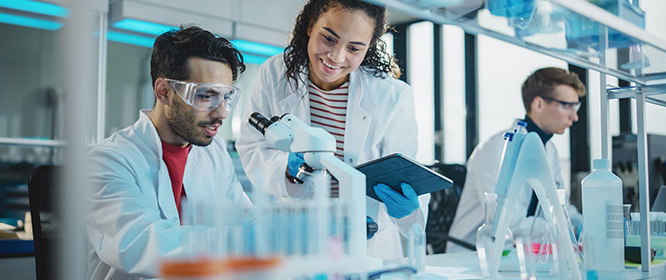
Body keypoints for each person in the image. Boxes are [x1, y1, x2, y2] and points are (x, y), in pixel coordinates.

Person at [235, 0, 429, 260]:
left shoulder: (392, 96)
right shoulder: (274, 74)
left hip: (368, 245)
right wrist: (287, 169)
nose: (336, 57)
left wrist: (407, 210)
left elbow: (405, 172)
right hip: (296, 240)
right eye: (328, 39)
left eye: (354, 48)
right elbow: (252, 147)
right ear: (310, 25)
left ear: (369, 46)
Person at [86, 25, 251, 279]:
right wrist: (243, 240)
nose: (222, 114)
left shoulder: (214, 152)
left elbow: (245, 219)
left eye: (227, 97)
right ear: (164, 91)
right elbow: (144, 243)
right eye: (206, 96)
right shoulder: (109, 161)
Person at [447, 67, 586, 253]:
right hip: (472, 255)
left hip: (519, 252)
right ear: (538, 105)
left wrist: (586, 228)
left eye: (576, 107)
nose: (574, 116)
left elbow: (561, 209)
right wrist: (562, 229)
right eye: (566, 105)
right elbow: (508, 221)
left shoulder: (549, 150)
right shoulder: (499, 147)